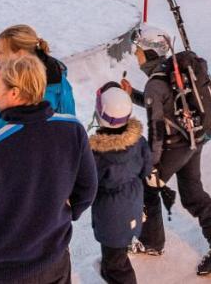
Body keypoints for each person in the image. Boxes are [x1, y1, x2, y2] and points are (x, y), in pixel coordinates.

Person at [0, 54, 97, 284]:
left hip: (1, 273)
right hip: (55, 265)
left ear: (14, 93)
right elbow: (87, 190)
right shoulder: (73, 130)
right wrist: (59, 215)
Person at [122, 27, 211, 274]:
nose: (136, 57)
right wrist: (133, 95)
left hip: (176, 145)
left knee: (147, 186)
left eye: (139, 52)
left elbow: (157, 130)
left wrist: (152, 165)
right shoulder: (172, 72)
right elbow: (166, 107)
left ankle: (152, 242)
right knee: (192, 193)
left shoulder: (156, 83)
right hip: (194, 138)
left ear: (151, 53)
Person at [0, 25, 78, 162]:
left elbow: (67, 128)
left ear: (20, 53)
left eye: (1, 51)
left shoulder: (56, 83)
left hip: (35, 163)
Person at [88, 84, 152, 284]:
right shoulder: (139, 141)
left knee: (117, 264)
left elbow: (89, 185)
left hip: (110, 216)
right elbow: (146, 170)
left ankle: (114, 275)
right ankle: (109, 271)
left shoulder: (96, 154)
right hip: (132, 205)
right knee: (116, 253)